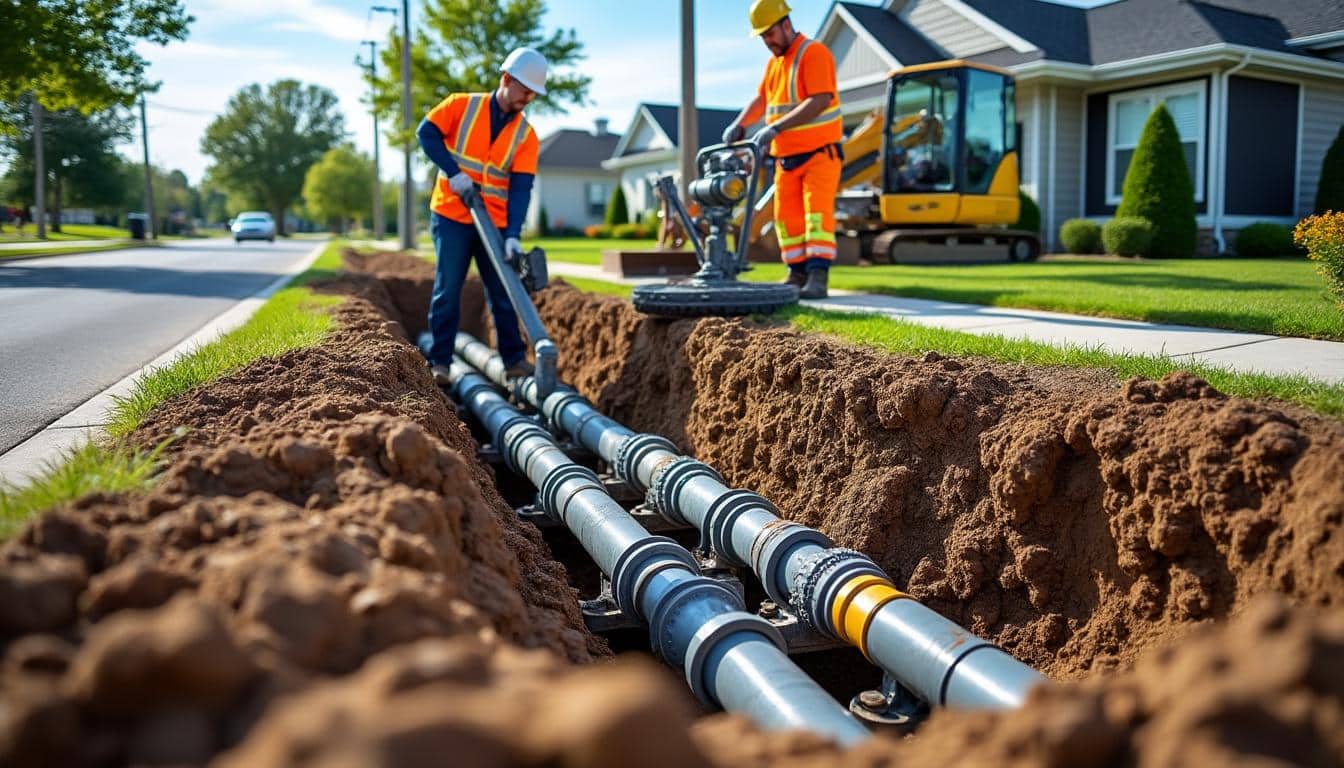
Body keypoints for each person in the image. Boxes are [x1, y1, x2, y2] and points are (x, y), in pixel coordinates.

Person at [417, 47, 547, 381]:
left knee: (503, 292)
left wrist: (514, 235)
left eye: (533, 93)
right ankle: (441, 363)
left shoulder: (526, 136)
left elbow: (521, 189)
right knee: (448, 290)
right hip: (451, 216)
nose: (528, 98)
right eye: (524, 90)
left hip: (495, 225)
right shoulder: (461, 105)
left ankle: (514, 362)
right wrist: (452, 171)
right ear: (506, 79)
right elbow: (426, 133)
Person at [722, 0, 843, 299]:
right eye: (762, 36)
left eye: (769, 34)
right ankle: (796, 273)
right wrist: (739, 124)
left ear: (785, 24)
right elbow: (762, 100)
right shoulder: (775, 64)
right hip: (785, 159)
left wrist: (775, 128)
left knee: (816, 216)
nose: (767, 41)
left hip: (819, 154)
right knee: (786, 219)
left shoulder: (813, 53)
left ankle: (817, 277)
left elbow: (819, 100)